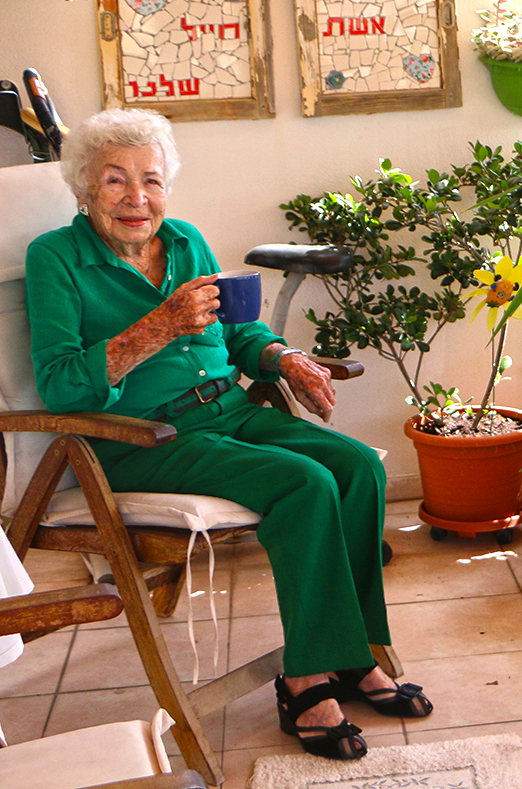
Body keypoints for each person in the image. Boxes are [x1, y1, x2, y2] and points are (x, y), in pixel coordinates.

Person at [25, 108, 430, 761]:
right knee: (303, 484)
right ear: (82, 187)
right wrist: (156, 326)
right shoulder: (56, 260)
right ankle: (304, 679)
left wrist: (285, 359)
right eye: (115, 181)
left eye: (151, 181)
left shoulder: (185, 241)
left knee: (358, 467)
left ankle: (350, 656)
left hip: (228, 412)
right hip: (139, 440)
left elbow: (238, 335)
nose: (138, 198)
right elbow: (60, 384)